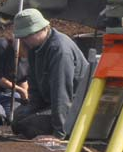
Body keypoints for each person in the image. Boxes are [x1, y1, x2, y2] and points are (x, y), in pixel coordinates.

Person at [10, 8, 89, 139]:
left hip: (74, 105)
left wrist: (59, 134)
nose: (24, 40)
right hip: (51, 103)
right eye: (22, 37)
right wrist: (32, 108)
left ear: (43, 29)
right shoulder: (35, 48)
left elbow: (62, 93)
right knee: (17, 121)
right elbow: (34, 85)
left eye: (27, 35)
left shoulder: (60, 51)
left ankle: (67, 129)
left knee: (29, 126)